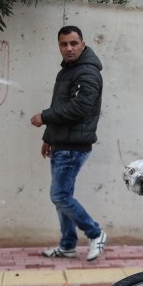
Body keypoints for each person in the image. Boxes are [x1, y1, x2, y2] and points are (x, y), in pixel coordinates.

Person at [31, 25, 107, 261]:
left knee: (60, 196)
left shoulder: (87, 72)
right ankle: (67, 245)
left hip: (74, 145)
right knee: (63, 196)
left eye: (73, 43)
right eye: (64, 44)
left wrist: (44, 117)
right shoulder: (69, 70)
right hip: (62, 142)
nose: (69, 48)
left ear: (83, 44)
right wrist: (48, 137)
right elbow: (60, 104)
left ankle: (96, 233)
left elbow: (79, 108)